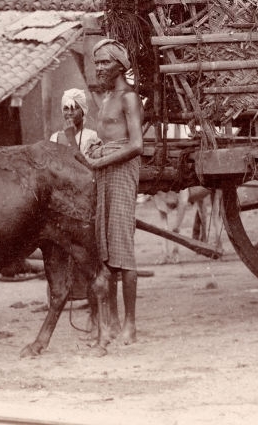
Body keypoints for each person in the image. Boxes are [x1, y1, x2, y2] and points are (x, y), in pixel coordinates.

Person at [81, 38, 143, 344]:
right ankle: (114, 322)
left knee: (122, 248)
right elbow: (108, 136)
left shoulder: (129, 98)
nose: (99, 68)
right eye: (97, 63)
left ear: (120, 65)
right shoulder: (105, 99)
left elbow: (136, 145)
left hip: (119, 172)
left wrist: (102, 159)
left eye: (105, 62)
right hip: (104, 170)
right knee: (105, 249)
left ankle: (131, 325)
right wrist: (96, 148)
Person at [50, 88, 100, 154]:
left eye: (75, 108)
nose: (70, 113)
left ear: (83, 111)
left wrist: (71, 137)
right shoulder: (55, 137)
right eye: (66, 108)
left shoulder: (92, 136)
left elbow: (88, 163)